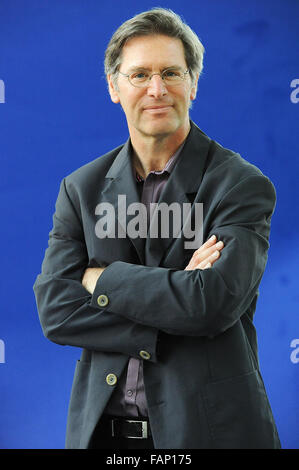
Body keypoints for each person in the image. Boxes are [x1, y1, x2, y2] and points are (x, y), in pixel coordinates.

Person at [33, 8, 281, 449]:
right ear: (114, 86)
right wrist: (175, 296)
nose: (157, 89)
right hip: (102, 437)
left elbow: (211, 303)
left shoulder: (240, 185)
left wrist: (101, 279)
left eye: (171, 72)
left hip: (209, 434)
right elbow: (55, 310)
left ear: (193, 84)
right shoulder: (81, 189)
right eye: (139, 75)